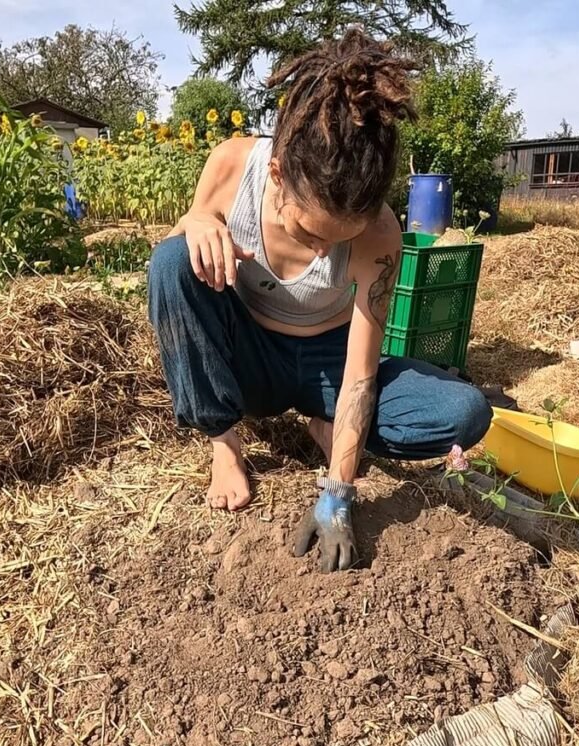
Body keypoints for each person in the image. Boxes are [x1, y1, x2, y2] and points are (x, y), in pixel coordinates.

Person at [147, 29, 492, 573]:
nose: (326, 249)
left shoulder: (378, 234)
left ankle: (319, 419)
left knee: (464, 412)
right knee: (170, 261)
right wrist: (194, 221)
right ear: (279, 177)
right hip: (253, 359)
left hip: (330, 365)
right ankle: (226, 446)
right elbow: (186, 257)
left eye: (341, 237)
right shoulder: (233, 168)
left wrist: (339, 491)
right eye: (313, 234)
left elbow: (360, 374)